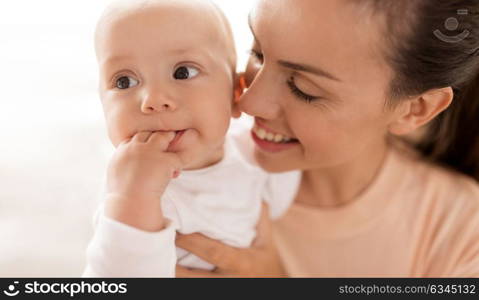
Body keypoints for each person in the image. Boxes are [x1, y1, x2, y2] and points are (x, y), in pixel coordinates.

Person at [175, 0, 479, 277]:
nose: (250, 102)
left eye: (303, 88)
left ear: (415, 109)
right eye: (257, 53)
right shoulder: (173, 173)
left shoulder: (463, 235)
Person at [83, 0, 299, 277]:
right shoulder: (133, 189)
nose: (153, 100)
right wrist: (131, 197)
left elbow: (282, 203)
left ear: (235, 94)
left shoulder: (252, 148)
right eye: (124, 81)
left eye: (183, 72)